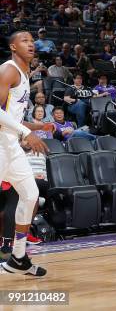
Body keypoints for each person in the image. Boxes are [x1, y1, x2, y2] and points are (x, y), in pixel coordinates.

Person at [0, 31, 50, 276]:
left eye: (32, 41)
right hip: (0, 143)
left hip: (10, 144)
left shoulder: (24, 74)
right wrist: (25, 132)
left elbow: (11, 116)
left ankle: (18, 258)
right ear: (12, 46)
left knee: (30, 194)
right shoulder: (8, 70)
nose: (30, 44)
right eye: (24, 40)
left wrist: (36, 127)